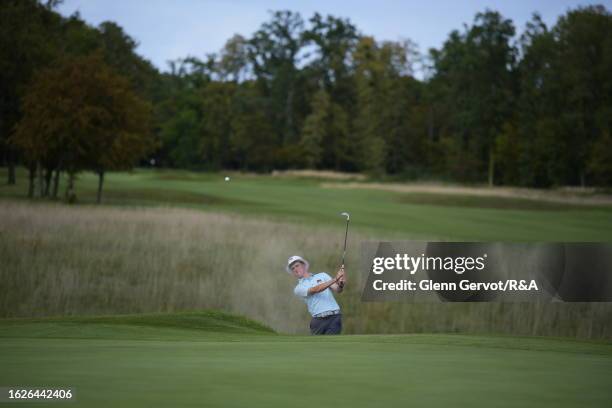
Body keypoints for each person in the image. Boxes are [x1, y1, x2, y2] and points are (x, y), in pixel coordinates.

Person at [287, 255, 346, 335]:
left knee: (331, 345)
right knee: (318, 347)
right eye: (292, 268)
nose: (295, 269)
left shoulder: (322, 275)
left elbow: (338, 289)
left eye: (297, 266)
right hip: (318, 321)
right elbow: (316, 289)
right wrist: (335, 279)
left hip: (334, 317)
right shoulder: (298, 288)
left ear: (304, 265)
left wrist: (341, 283)